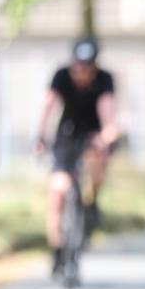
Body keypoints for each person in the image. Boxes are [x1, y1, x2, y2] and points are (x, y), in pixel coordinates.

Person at [35, 36, 119, 274]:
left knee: (97, 157)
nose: (82, 71)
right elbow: (48, 105)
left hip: (92, 133)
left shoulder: (104, 79)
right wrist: (40, 135)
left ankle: (92, 202)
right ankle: (57, 249)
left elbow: (108, 111)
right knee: (58, 192)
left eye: (88, 66)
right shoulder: (61, 76)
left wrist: (108, 136)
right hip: (67, 134)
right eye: (79, 65)